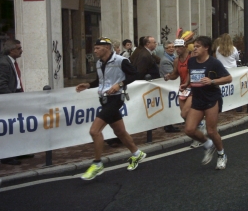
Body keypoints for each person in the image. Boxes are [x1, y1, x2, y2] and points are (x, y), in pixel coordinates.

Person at [75, 37, 146, 180]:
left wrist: (119, 84)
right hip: (104, 99)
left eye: (97, 48)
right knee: (119, 131)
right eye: (94, 48)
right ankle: (137, 154)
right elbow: (100, 81)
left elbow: (135, 74)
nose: (94, 51)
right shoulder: (99, 63)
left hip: (116, 99)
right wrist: (88, 85)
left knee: (94, 131)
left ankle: (97, 164)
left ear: (107, 48)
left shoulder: (121, 60)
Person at [181, 36, 232, 170]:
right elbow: (191, 74)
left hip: (211, 99)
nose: (194, 49)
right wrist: (186, 84)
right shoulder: (191, 61)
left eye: (197, 46)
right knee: (189, 129)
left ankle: (221, 155)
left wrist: (212, 81)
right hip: (197, 99)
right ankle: (208, 144)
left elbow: (228, 78)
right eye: (194, 46)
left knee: (211, 130)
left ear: (206, 48)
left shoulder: (214, 63)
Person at [164, 38, 206, 147]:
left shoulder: (192, 58)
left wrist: (188, 83)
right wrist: (169, 76)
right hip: (183, 88)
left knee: (185, 113)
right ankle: (199, 129)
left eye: (179, 47)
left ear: (185, 47)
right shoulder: (176, 60)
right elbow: (175, 74)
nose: (177, 49)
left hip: (194, 88)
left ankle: (199, 129)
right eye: (175, 47)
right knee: (184, 116)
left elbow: (192, 72)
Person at [0, 39, 24, 165]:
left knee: (18, 126)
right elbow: (1, 85)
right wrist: (11, 99)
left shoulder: (12, 62)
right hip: (9, 100)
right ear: (11, 50)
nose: (21, 50)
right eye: (18, 48)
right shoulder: (4, 64)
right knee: (9, 128)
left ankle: (17, 152)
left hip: (16, 97)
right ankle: (7, 156)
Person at [159, 40, 180, 133]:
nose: (171, 49)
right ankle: (168, 125)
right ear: (165, 49)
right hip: (167, 86)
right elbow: (172, 73)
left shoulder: (174, 57)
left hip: (174, 86)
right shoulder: (165, 61)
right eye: (169, 47)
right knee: (168, 106)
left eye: (173, 47)